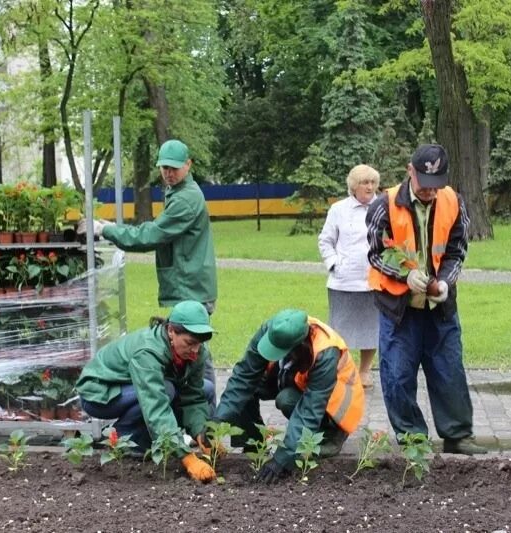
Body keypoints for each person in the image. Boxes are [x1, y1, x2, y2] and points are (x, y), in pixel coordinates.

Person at [365, 143, 486, 455]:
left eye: (437, 185)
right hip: (398, 308)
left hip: (440, 306)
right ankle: (413, 440)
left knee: (448, 370)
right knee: (398, 374)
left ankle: (457, 436)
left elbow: (457, 250)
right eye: (425, 184)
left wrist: (445, 281)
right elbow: (375, 254)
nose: (431, 191)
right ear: (410, 171)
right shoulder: (384, 205)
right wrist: (405, 276)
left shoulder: (454, 201)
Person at [79, 139, 218, 402]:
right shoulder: (178, 191)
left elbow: (152, 235)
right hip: (189, 285)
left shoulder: (186, 198)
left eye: (174, 168)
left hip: (192, 287)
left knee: (197, 354)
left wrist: (104, 229)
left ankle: (208, 418)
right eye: (164, 167)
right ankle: (198, 415)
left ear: (188, 165)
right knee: (193, 351)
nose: (169, 172)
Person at [213, 309, 365, 483]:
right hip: (293, 378)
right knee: (250, 387)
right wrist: (218, 420)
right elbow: (244, 376)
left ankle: (326, 440)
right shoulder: (274, 330)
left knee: (286, 400)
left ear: (298, 347)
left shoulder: (325, 351)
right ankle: (253, 444)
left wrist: (282, 458)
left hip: (335, 408)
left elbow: (310, 410)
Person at [75, 300, 218, 482]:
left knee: (207, 389)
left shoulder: (196, 352)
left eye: (199, 343)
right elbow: (155, 405)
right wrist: (187, 458)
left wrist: (202, 435)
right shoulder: (148, 351)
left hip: (134, 388)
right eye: (190, 343)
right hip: (98, 392)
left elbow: (194, 397)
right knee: (166, 391)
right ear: (171, 331)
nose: (195, 350)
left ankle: (145, 438)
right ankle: (124, 438)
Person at [318, 164, 380, 389]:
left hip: (374, 280)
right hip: (343, 281)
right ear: (354, 186)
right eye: (365, 183)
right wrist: (334, 264)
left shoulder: (382, 207)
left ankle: (364, 371)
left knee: (371, 327)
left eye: (373, 182)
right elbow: (325, 240)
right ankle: (343, 370)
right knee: (339, 329)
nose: (370, 187)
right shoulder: (339, 209)